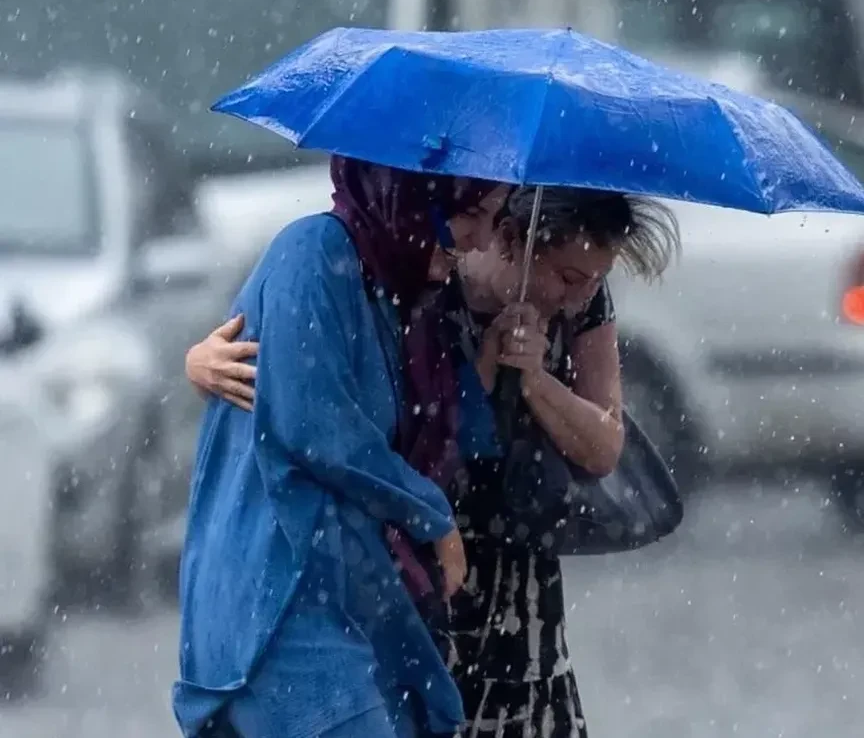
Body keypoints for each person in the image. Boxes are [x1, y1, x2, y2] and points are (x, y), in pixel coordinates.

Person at [185, 186, 679, 737]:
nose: (580, 297)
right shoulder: (430, 266)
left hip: (515, 562)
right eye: (567, 278)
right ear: (513, 240)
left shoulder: (582, 301)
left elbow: (604, 446)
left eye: (595, 280)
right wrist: (199, 364)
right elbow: (321, 390)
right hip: (419, 552)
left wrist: (537, 382)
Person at [173, 155, 512, 738]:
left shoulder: (398, 290)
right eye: (473, 215)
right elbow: (317, 426)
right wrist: (429, 514)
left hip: (349, 602)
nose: (480, 240)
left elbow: (441, 428)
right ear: (414, 198)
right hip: (279, 607)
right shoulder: (313, 254)